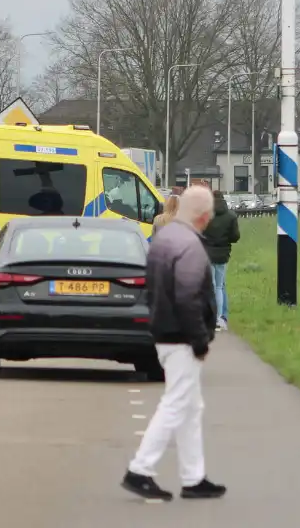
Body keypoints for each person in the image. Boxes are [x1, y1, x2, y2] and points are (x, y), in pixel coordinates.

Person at [122, 185, 225, 502]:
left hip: (164, 331)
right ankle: (140, 469)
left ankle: (193, 477)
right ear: (204, 217)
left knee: (191, 407)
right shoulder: (190, 247)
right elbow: (188, 298)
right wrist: (200, 340)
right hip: (181, 336)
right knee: (176, 404)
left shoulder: (163, 240)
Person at [202, 190, 240, 332]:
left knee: (210, 286)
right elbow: (235, 236)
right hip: (223, 254)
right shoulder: (231, 216)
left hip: (207, 254)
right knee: (219, 286)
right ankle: (220, 318)